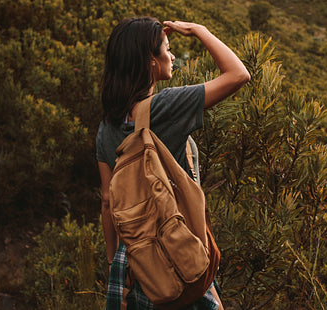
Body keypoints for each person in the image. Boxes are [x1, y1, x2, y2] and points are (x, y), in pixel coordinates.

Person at [96, 17, 250, 310]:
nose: (172, 56)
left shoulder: (107, 126)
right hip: (175, 248)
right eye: (167, 49)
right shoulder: (165, 106)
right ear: (149, 61)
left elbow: (107, 201)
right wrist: (199, 30)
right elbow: (238, 74)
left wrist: (115, 260)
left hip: (133, 259)